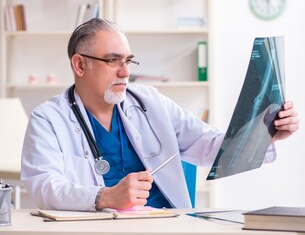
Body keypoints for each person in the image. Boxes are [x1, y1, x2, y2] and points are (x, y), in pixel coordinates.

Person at [21, 18, 299, 212]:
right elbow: (44, 185)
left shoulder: (150, 101)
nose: (125, 71)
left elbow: (210, 146)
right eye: (112, 60)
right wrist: (105, 197)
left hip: (165, 223)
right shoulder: (48, 119)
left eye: (127, 61)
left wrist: (266, 132)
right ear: (79, 65)